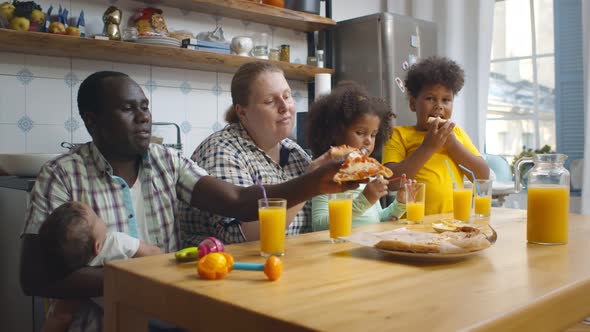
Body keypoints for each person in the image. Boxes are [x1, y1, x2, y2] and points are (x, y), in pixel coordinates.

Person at [20, 71, 356, 306]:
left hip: (168, 311)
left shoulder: (166, 161)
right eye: (127, 109)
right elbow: (35, 278)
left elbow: (238, 200)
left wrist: (312, 183)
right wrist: (146, 277)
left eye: (145, 106)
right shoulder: (61, 176)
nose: (143, 118)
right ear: (91, 119)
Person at [180, 62, 312, 246]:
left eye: (287, 96)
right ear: (242, 112)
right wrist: (310, 184)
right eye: (270, 101)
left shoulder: (294, 151)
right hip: (224, 269)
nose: (284, 107)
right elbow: (242, 238)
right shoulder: (221, 151)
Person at [382, 56, 489, 215]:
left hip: (454, 221)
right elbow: (391, 182)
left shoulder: (456, 134)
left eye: (446, 100)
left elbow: (482, 177)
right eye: (430, 98)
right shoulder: (399, 135)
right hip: (413, 223)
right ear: (413, 104)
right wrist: (428, 147)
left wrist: (453, 145)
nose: (439, 106)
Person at [38, 201, 161, 332]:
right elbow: (153, 253)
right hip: (141, 316)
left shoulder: (74, 276)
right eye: (97, 217)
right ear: (97, 247)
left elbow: (60, 318)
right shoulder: (115, 242)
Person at [306, 82, 409, 230]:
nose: (368, 140)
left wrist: (399, 204)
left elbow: (376, 219)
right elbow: (320, 226)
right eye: (360, 133)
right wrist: (364, 200)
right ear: (336, 132)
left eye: (373, 135)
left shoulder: (370, 177)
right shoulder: (326, 175)